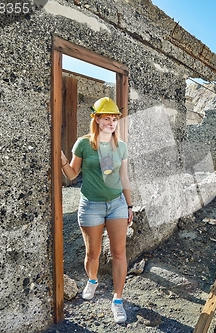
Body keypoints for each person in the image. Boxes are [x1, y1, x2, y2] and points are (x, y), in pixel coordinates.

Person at [61, 97, 133, 324]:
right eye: (106, 118)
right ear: (96, 119)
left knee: (119, 253)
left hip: (117, 204)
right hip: (91, 204)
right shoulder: (83, 144)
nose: (111, 123)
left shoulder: (121, 147)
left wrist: (130, 205)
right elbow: (72, 175)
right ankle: (92, 280)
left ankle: (118, 300)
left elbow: (124, 178)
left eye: (114, 119)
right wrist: (62, 160)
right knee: (93, 254)